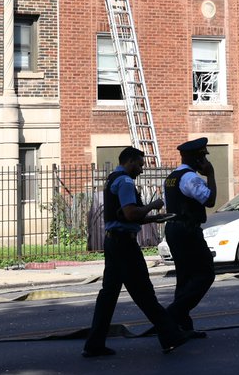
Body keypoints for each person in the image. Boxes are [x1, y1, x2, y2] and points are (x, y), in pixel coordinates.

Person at [82, 146, 188, 357]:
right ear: (129, 161)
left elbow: (123, 215)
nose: (141, 170)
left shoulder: (112, 178)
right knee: (144, 293)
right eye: (139, 165)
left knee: (108, 295)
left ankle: (94, 344)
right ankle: (170, 336)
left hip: (113, 243)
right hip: (125, 246)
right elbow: (131, 214)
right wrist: (153, 206)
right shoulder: (126, 182)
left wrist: (153, 219)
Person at [163, 137, 217, 338]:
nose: (204, 160)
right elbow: (210, 200)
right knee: (205, 274)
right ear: (195, 157)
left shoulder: (172, 177)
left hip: (174, 229)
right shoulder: (189, 178)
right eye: (202, 156)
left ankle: (182, 327)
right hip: (187, 231)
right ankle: (170, 317)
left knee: (185, 278)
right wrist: (210, 174)